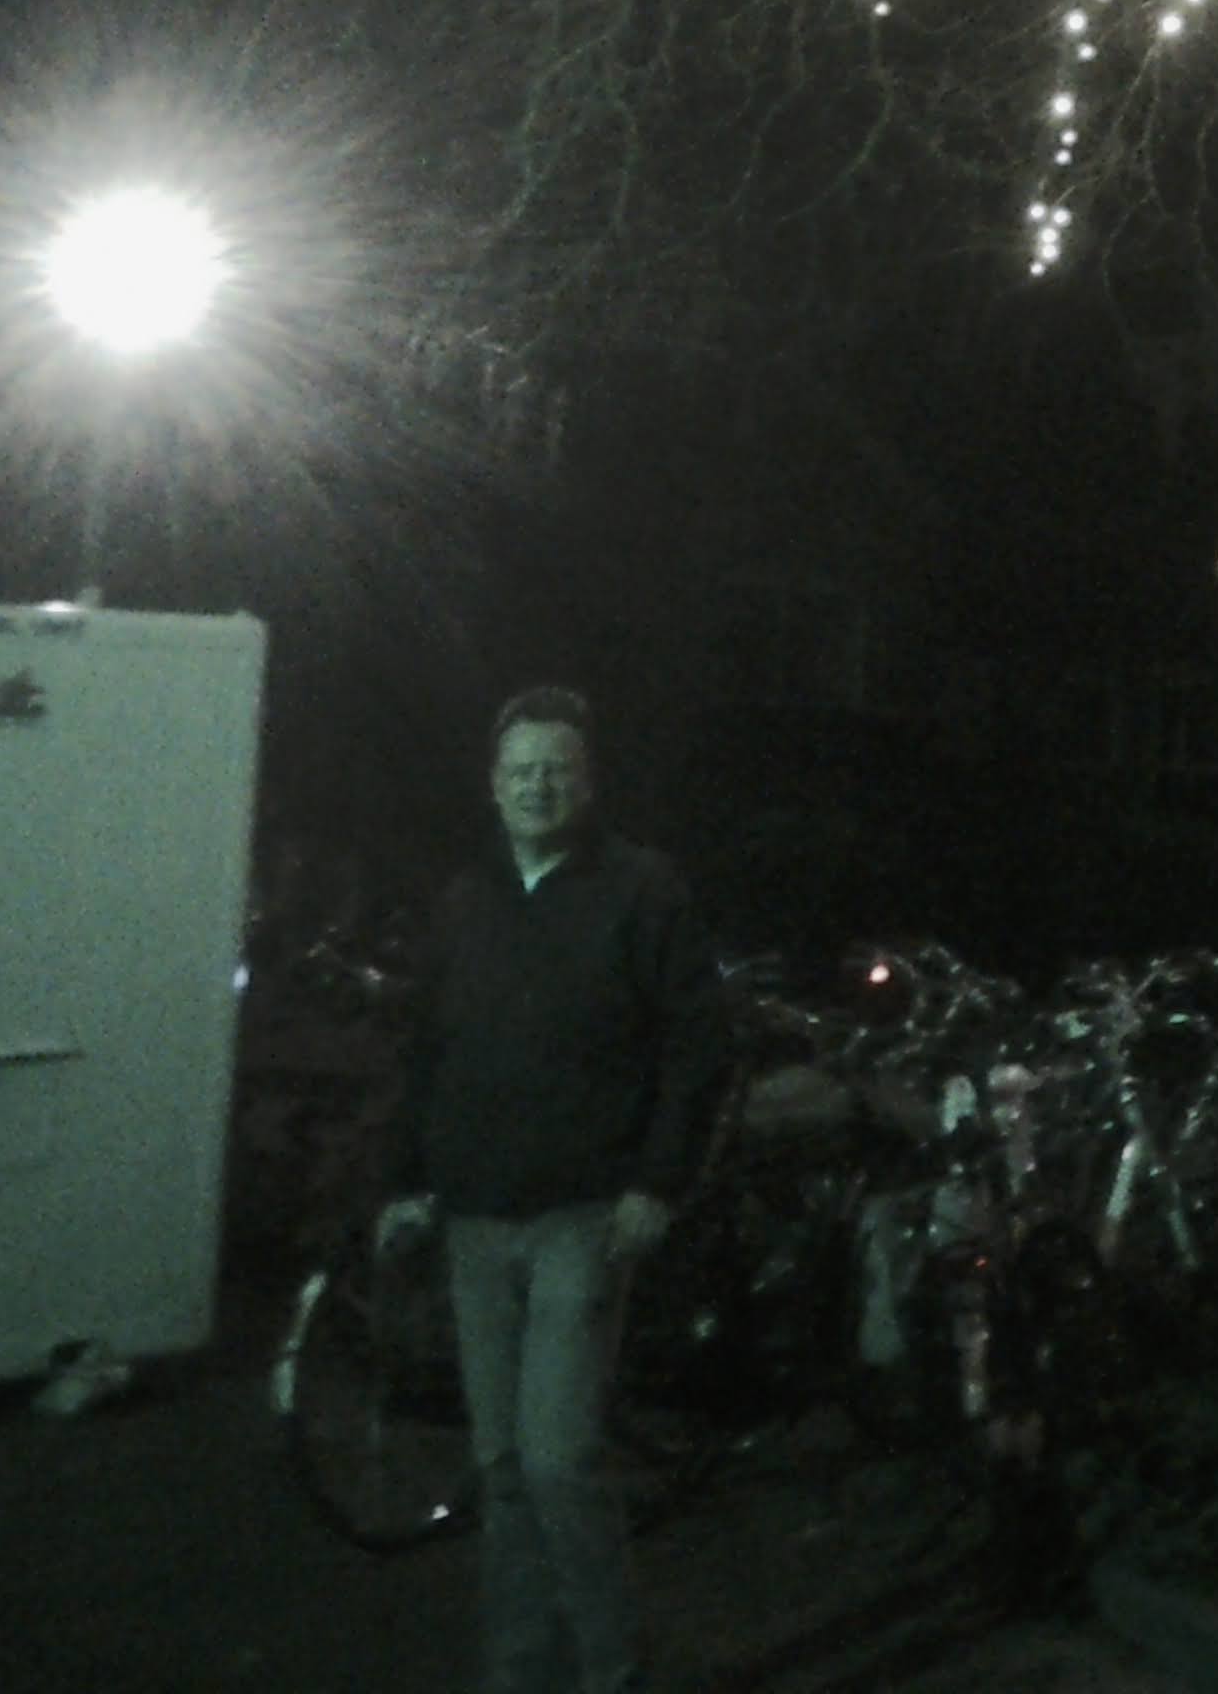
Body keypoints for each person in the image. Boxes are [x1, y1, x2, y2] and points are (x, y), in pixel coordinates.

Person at [383, 688, 732, 1694]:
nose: (540, 783)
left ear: (589, 781)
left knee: (558, 1461)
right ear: (494, 787)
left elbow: (697, 1048)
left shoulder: (641, 892)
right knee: (499, 1466)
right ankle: (520, 1669)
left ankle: (612, 1668)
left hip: (585, 1216)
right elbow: (426, 1051)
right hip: (475, 1221)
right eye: (521, 769)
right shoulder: (466, 901)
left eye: (558, 768)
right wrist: (404, 1180)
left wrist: (658, 1184)